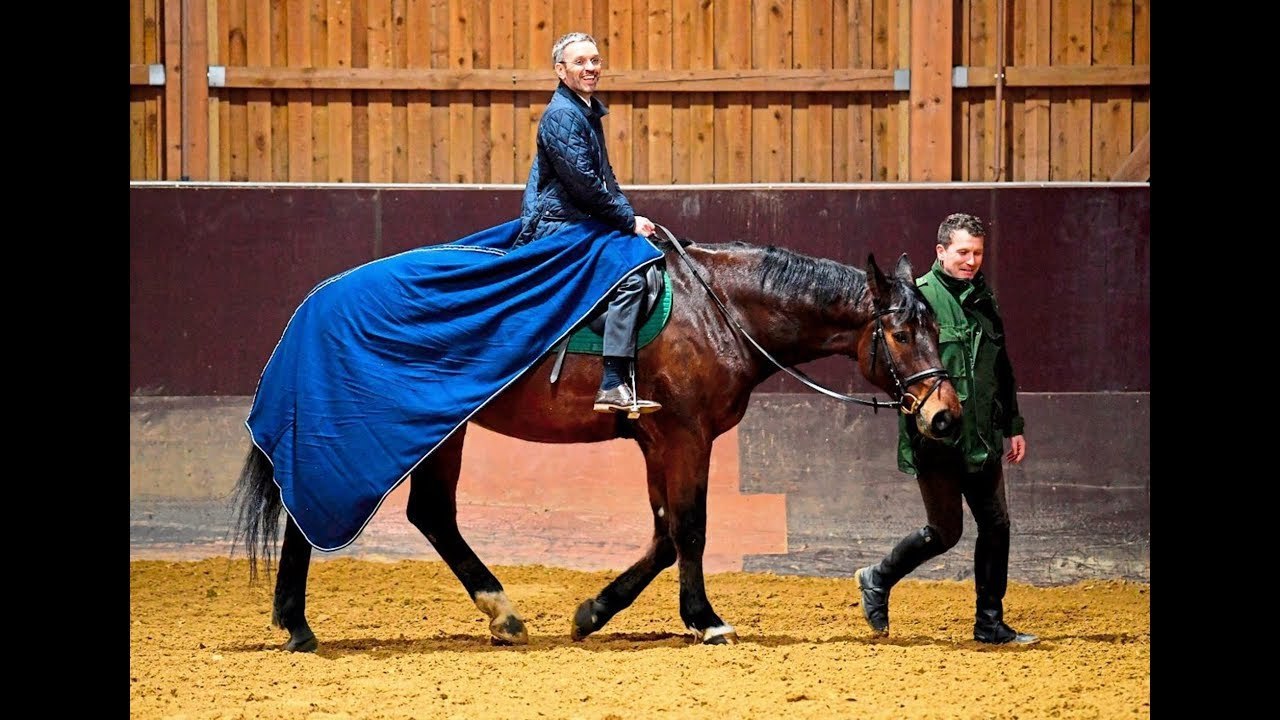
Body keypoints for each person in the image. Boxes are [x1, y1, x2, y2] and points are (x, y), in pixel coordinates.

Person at [855, 212, 1038, 645]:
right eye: (963, 252)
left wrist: (1013, 425)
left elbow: (1002, 370)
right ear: (940, 252)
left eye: (977, 253)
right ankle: (877, 577)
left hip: (982, 435)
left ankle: (989, 623)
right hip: (936, 437)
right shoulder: (916, 298)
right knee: (945, 532)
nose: (971, 261)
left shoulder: (984, 300)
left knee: (996, 525)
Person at [513, 31, 661, 415]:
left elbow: (606, 178)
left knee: (644, 258)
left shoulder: (587, 110)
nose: (590, 68)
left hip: (582, 219)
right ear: (561, 71)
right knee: (629, 278)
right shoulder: (562, 115)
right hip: (559, 227)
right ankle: (612, 383)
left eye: (595, 60)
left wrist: (629, 216)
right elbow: (584, 186)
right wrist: (627, 221)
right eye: (580, 62)